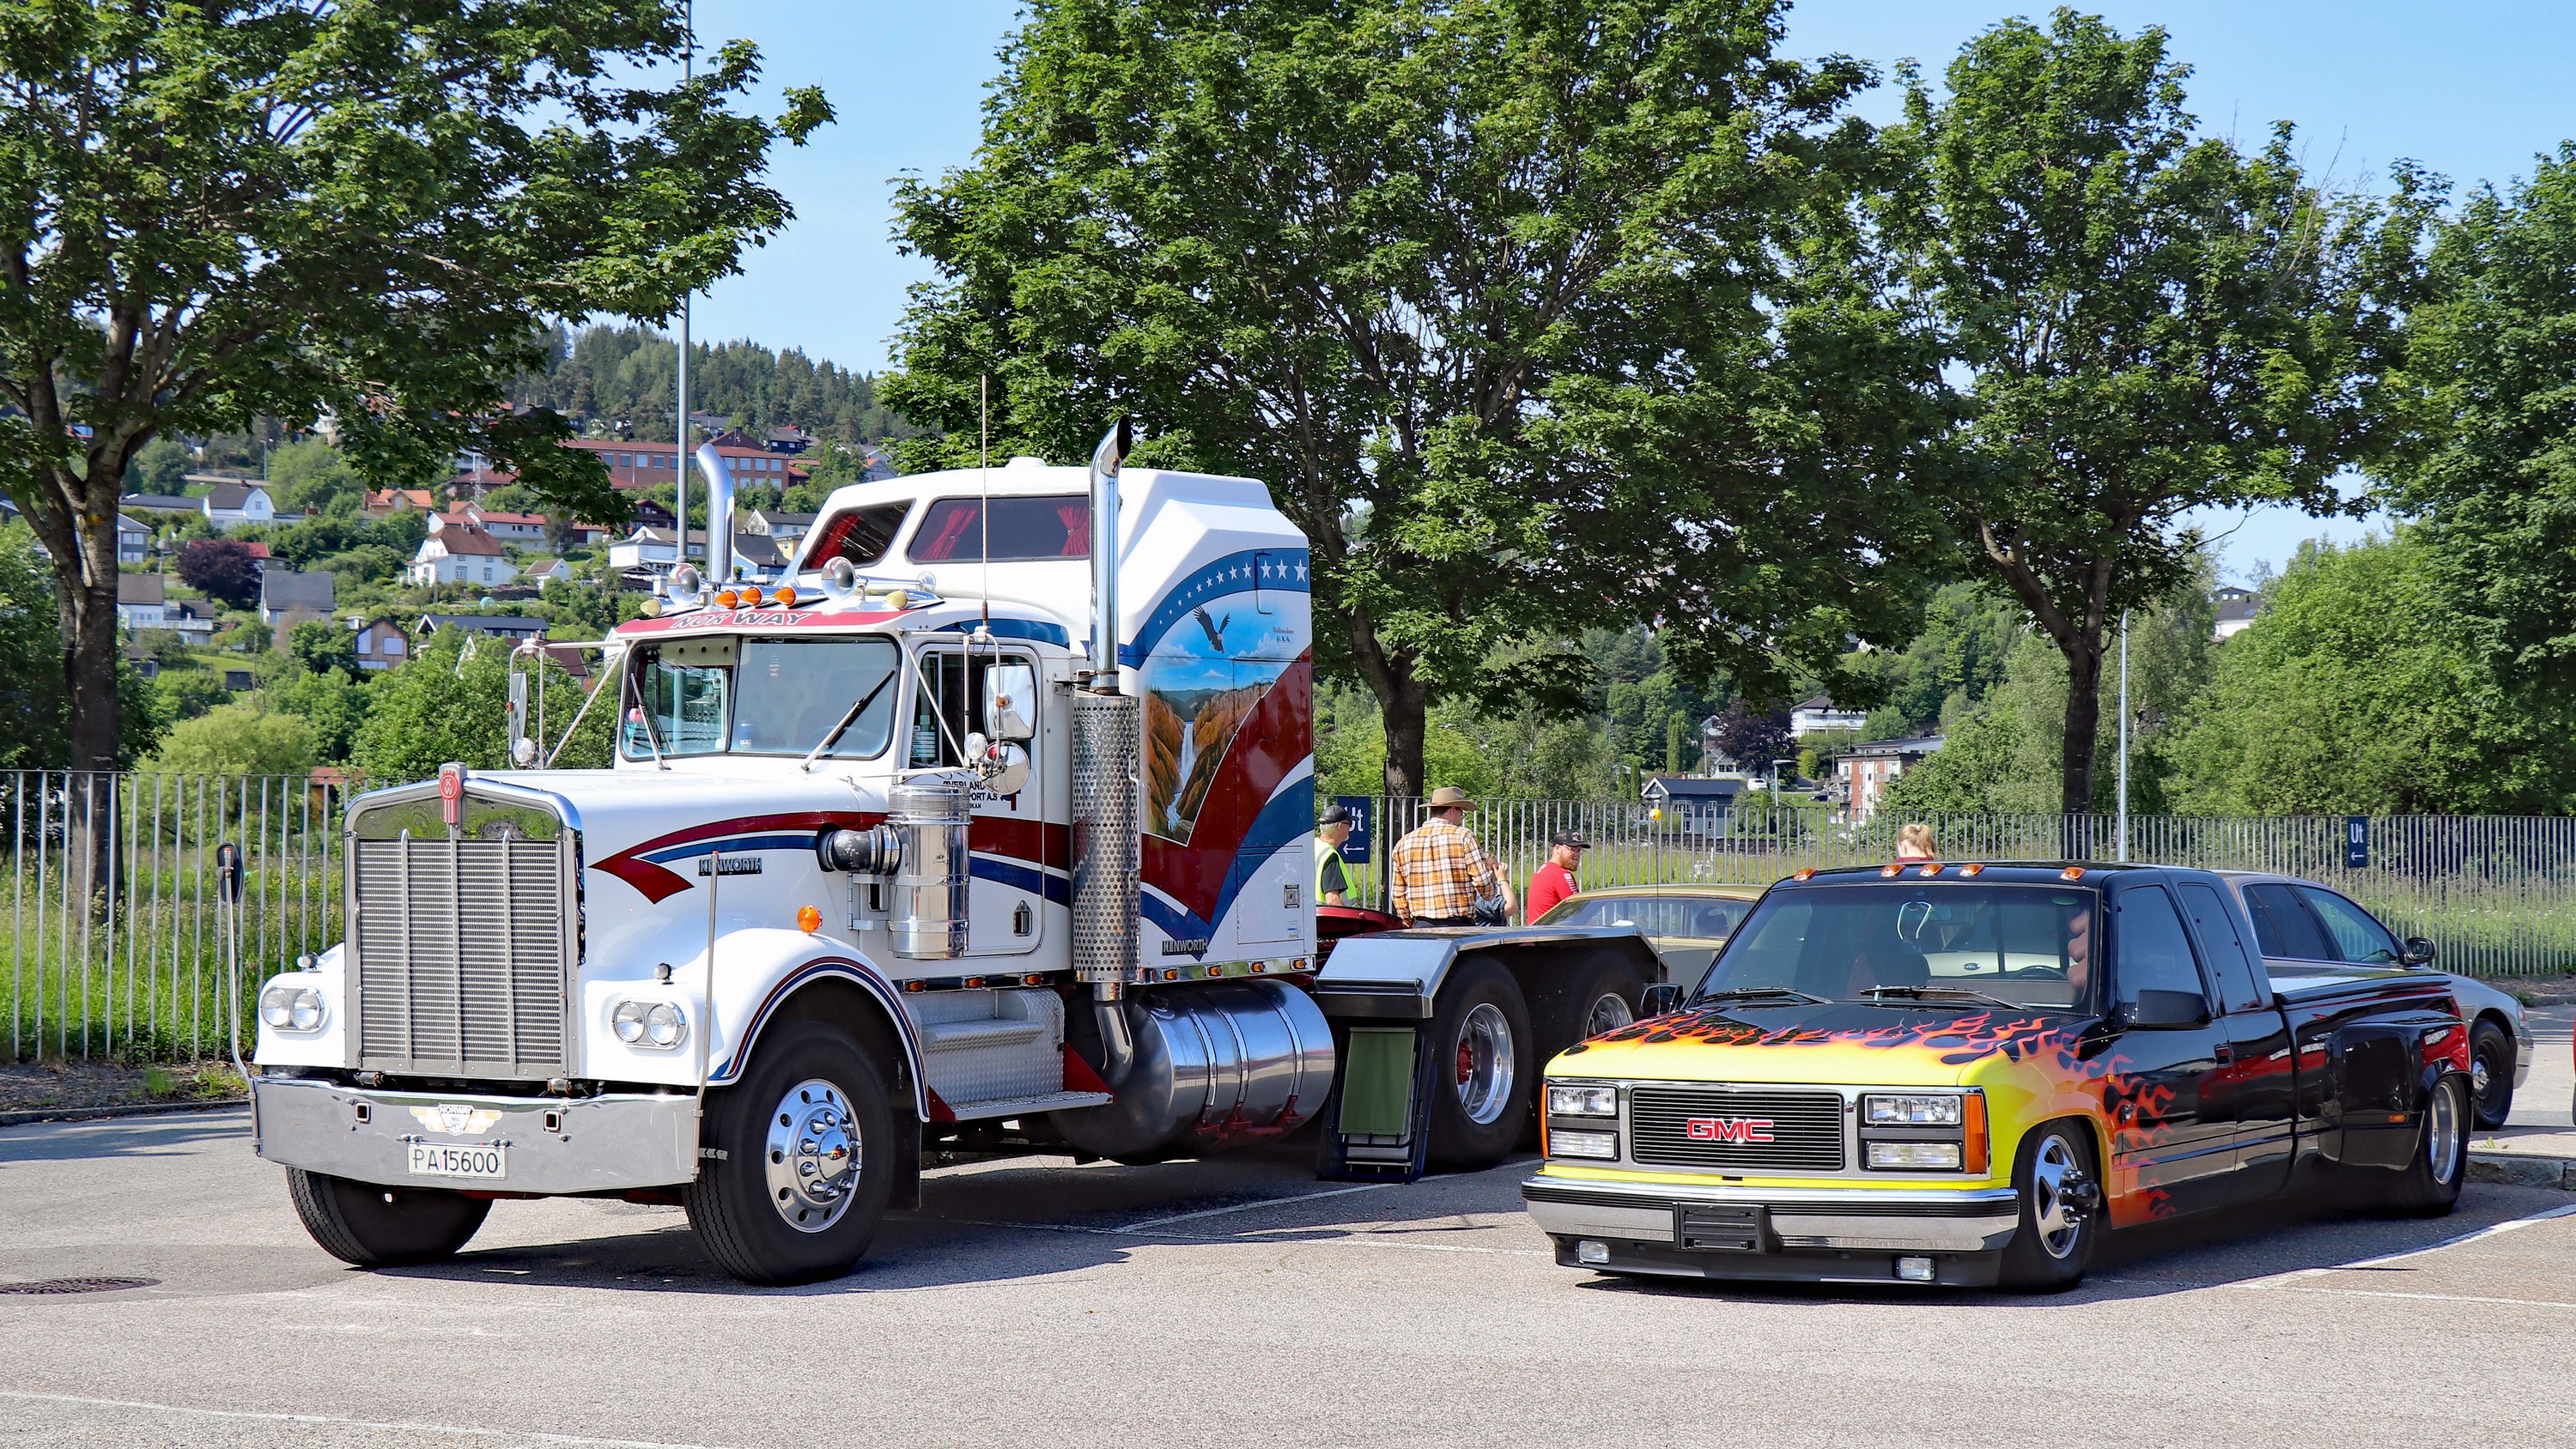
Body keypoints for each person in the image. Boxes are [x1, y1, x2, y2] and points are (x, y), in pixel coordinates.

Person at [1388, 786, 1514, 927]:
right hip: (1457, 924)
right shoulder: (1464, 837)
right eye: (1461, 812)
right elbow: (1482, 881)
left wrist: (1408, 921)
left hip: (1421, 924)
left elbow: (1398, 893)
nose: (1461, 817)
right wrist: (1490, 892)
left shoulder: (1404, 843)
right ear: (1453, 810)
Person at [1524, 830, 1586, 924]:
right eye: (1572, 849)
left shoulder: (1543, 870)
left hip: (1537, 930)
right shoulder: (1561, 875)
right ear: (1557, 848)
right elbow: (1580, 913)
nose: (1576, 854)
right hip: (1550, 931)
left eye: (1579, 850)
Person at [1313, 803, 1353, 907]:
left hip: (1314, 914)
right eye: (1350, 824)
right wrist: (1347, 917)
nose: (1350, 828)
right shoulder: (1330, 855)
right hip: (1329, 917)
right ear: (1340, 826)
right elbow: (1332, 899)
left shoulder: (1313, 846)